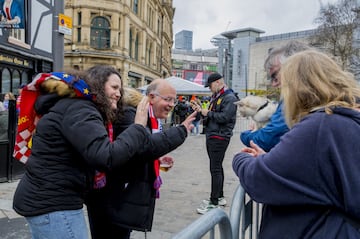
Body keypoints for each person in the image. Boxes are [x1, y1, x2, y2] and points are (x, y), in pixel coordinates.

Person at [12, 65, 154, 239]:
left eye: (120, 89)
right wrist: (138, 127)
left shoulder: (76, 107)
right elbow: (106, 156)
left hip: (49, 201)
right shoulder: (81, 109)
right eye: (114, 87)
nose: (119, 94)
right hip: (55, 205)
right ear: (98, 85)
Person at [233, 50, 360, 238]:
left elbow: (259, 179)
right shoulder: (347, 120)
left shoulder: (322, 125)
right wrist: (270, 159)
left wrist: (241, 158)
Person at [86, 80, 196, 239]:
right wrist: (181, 131)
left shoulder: (147, 115)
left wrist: (156, 160)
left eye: (174, 99)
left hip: (120, 197)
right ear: (151, 97)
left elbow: (137, 151)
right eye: (168, 99)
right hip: (112, 198)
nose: (172, 104)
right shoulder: (130, 113)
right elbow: (142, 148)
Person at [240, 40, 311, 152]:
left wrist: (246, 135)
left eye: (274, 76)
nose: (273, 83)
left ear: (294, 67)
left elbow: (267, 138)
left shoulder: (292, 101)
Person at [191, 72, 238, 214]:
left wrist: (207, 113)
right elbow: (211, 114)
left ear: (218, 82)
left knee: (215, 169)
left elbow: (224, 117)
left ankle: (214, 202)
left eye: (210, 85)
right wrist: (200, 110)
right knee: (217, 167)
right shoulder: (218, 96)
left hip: (219, 136)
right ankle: (219, 197)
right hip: (214, 135)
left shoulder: (229, 97)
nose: (210, 89)